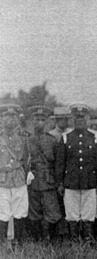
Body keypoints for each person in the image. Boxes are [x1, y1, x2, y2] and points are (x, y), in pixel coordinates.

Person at [55, 103, 97, 244]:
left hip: (90, 181)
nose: (80, 121)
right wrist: (59, 183)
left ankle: (87, 240)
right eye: (77, 118)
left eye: (82, 118)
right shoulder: (65, 137)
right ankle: (74, 240)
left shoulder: (95, 137)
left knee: (88, 213)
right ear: (72, 119)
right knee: (72, 213)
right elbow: (60, 162)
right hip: (71, 182)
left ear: (87, 119)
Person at [25, 105, 62, 242]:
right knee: (34, 211)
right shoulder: (27, 140)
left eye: (41, 120)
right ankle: (37, 239)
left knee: (52, 210)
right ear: (31, 121)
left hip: (48, 180)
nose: (38, 122)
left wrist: (58, 182)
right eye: (36, 119)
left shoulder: (52, 140)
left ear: (46, 122)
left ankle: (54, 240)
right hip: (33, 179)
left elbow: (58, 163)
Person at [0, 104, 30, 246]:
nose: (9, 119)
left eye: (13, 116)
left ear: (18, 118)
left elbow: (28, 159)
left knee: (20, 211)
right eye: (6, 116)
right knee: (2, 211)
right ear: (1, 118)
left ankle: (18, 241)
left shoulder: (25, 137)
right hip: (2, 180)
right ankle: (2, 241)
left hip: (18, 179)